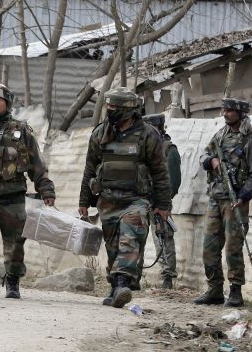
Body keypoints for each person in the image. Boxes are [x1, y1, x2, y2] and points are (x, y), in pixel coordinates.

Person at [78, 87, 171, 308]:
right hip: (107, 200)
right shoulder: (101, 133)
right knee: (113, 248)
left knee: (129, 240)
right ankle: (115, 286)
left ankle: (122, 283)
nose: (109, 110)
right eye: (108, 106)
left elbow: (160, 172)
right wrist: (84, 202)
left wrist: (163, 204)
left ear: (128, 109)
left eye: (113, 107)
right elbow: (90, 169)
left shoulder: (148, 134)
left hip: (136, 201)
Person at [0, 84, 56, 299]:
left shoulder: (21, 131)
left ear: (7, 103)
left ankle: (13, 281)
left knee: (15, 242)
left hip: (13, 195)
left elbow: (37, 164)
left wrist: (46, 190)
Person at [194, 98, 252, 307]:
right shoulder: (220, 134)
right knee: (209, 247)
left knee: (233, 247)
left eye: (229, 110)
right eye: (224, 110)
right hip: (216, 197)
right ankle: (214, 290)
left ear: (241, 113)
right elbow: (205, 154)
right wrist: (211, 161)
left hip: (236, 201)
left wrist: (243, 197)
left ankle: (235, 292)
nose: (225, 113)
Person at [143, 113, 181, 289]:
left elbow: (174, 182)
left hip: (160, 204)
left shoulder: (168, 149)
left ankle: (167, 278)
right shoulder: (145, 148)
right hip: (143, 203)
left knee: (163, 238)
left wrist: (162, 202)